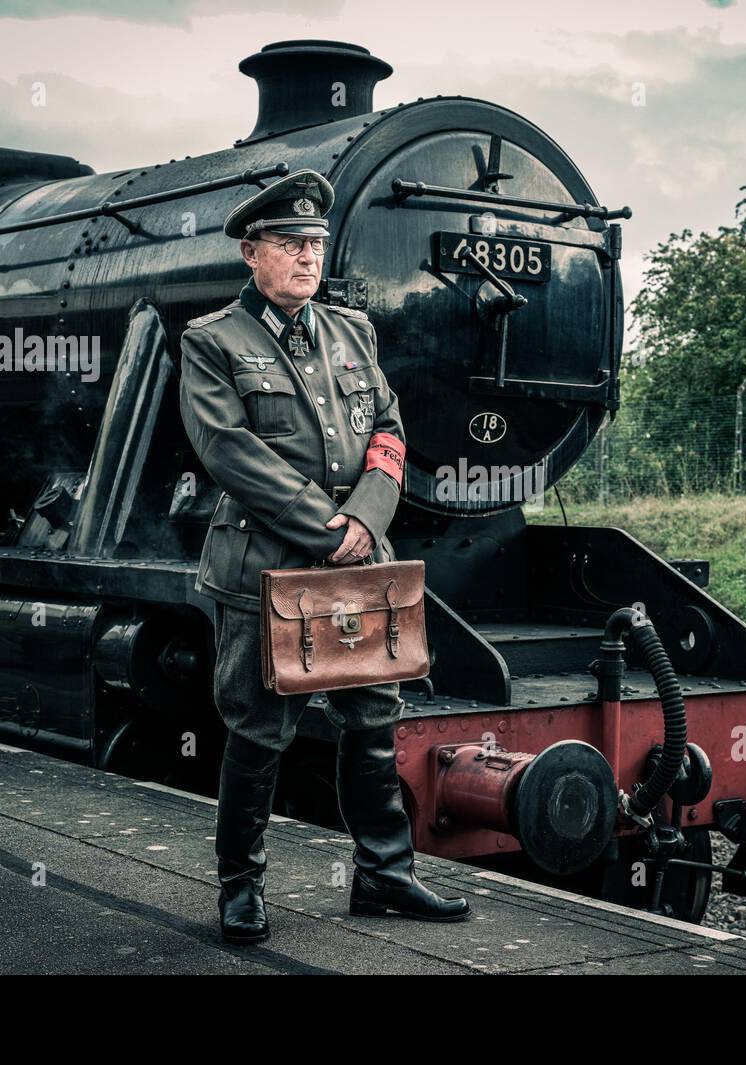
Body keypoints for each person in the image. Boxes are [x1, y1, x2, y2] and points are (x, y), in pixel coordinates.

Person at [178, 167, 470, 943]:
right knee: (258, 729)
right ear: (251, 251)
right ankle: (240, 885)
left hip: (358, 564)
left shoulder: (353, 332)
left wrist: (367, 521)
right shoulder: (212, 341)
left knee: (373, 719)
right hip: (268, 570)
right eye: (289, 243)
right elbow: (229, 451)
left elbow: (389, 432)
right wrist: (327, 527)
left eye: (314, 243)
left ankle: (383, 872)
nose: (307, 256)